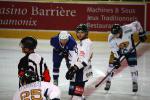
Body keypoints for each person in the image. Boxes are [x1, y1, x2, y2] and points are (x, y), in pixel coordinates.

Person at [104, 21, 147, 92]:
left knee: (133, 67)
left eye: (116, 34)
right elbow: (114, 49)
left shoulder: (128, 29)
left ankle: (134, 82)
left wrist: (141, 33)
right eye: (113, 34)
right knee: (111, 65)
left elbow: (137, 23)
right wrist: (116, 59)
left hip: (130, 50)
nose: (115, 35)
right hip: (117, 51)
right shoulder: (111, 37)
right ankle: (108, 81)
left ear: (120, 31)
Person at [65, 24, 93, 100]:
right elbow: (77, 56)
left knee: (76, 95)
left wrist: (73, 69)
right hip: (77, 70)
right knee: (73, 93)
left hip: (80, 72)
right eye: (78, 32)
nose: (79, 34)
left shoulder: (86, 43)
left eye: (82, 32)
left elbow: (84, 60)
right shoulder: (82, 42)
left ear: (86, 33)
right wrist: (71, 67)